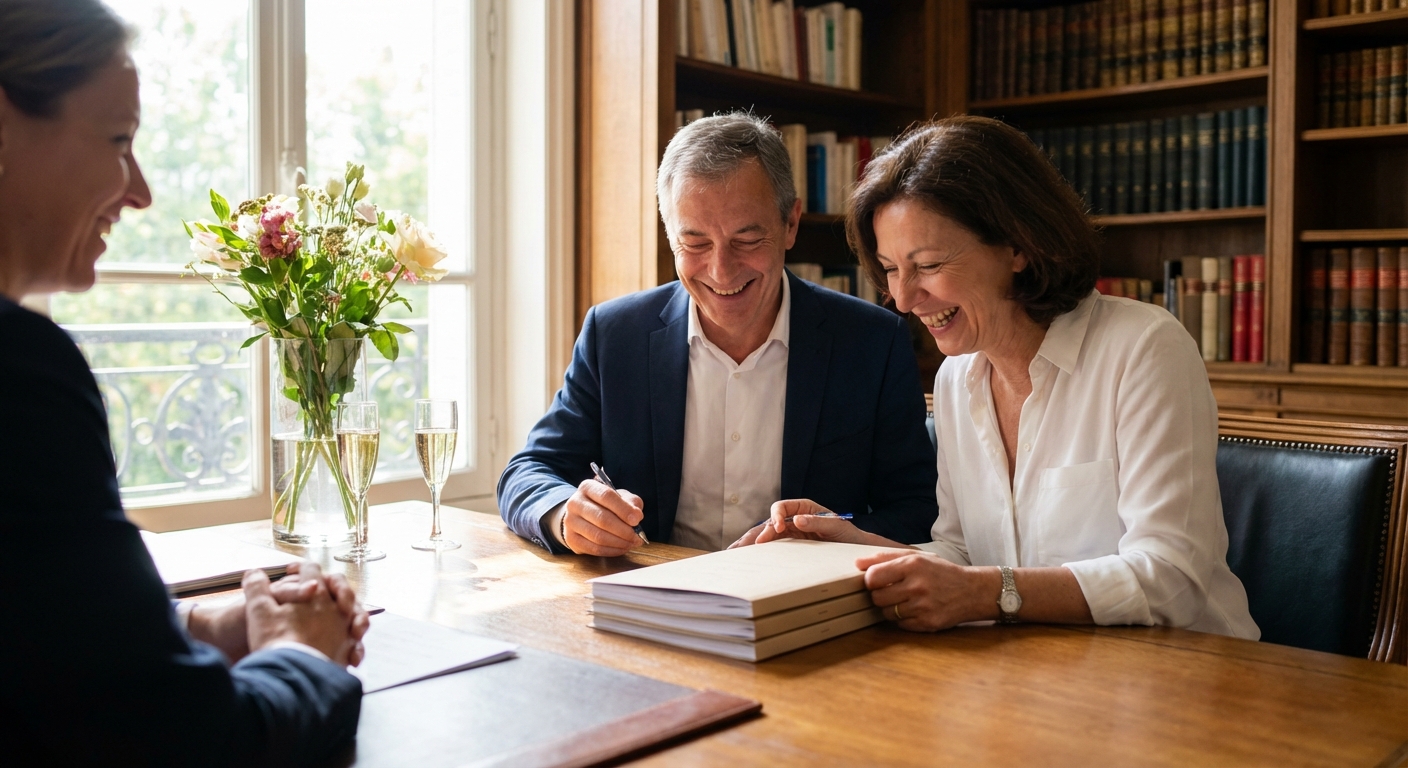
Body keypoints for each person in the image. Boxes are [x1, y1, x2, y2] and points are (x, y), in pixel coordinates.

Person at [0, 1, 368, 764]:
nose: (141, 192)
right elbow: (197, 744)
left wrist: (204, 629)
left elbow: (34, 629)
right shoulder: (19, 374)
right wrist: (302, 658)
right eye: (118, 140)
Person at [756, 116, 1259, 640]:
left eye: (926, 265)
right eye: (889, 269)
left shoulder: (1144, 348)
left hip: (1191, 678)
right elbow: (963, 554)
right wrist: (853, 545)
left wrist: (984, 593)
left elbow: (1172, 579)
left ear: (1018, 246)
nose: (902, 299)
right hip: (1050, 673)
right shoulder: (956, 379)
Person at [497, 112, 938, 556]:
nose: (721, 270)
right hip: (651, 594)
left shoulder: (872, 343)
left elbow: (918, 509)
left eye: (746, 239)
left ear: (790, 223)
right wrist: (564, 514)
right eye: (695, 242)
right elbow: (529, 471)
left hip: (804, 603)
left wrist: (830, 532)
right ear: (669, 234)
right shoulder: (614, 335)